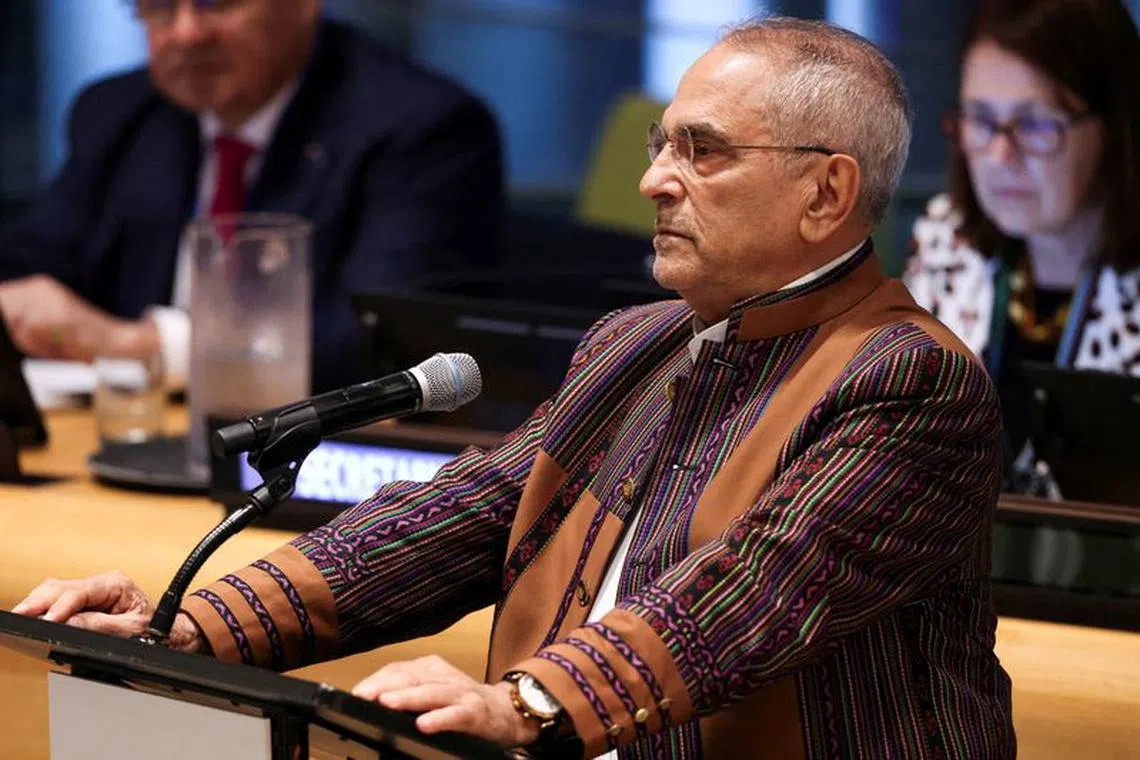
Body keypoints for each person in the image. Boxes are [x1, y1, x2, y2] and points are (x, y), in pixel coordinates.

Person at [13, 18, 1016, 758]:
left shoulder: (908, 378)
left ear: (827, 193)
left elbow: (753, 592)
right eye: (662, 143)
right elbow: (461, 515)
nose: (654, 179)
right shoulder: (637, 342)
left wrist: (533, 704)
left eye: (702, 152)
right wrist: (191, 623)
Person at [0, 0, 502, 392]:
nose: (187, 33)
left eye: (217, 3)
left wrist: (140, 347)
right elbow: (32, 268)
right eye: (159, 7)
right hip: (123, 440)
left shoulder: (420, 129)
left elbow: (380, 342)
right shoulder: (118, 113)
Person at [905, 0, 1140, 459]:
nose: (998, 157)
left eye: (1034, 125)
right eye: (982, 120)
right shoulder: (946, 239)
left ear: (1117, 126)